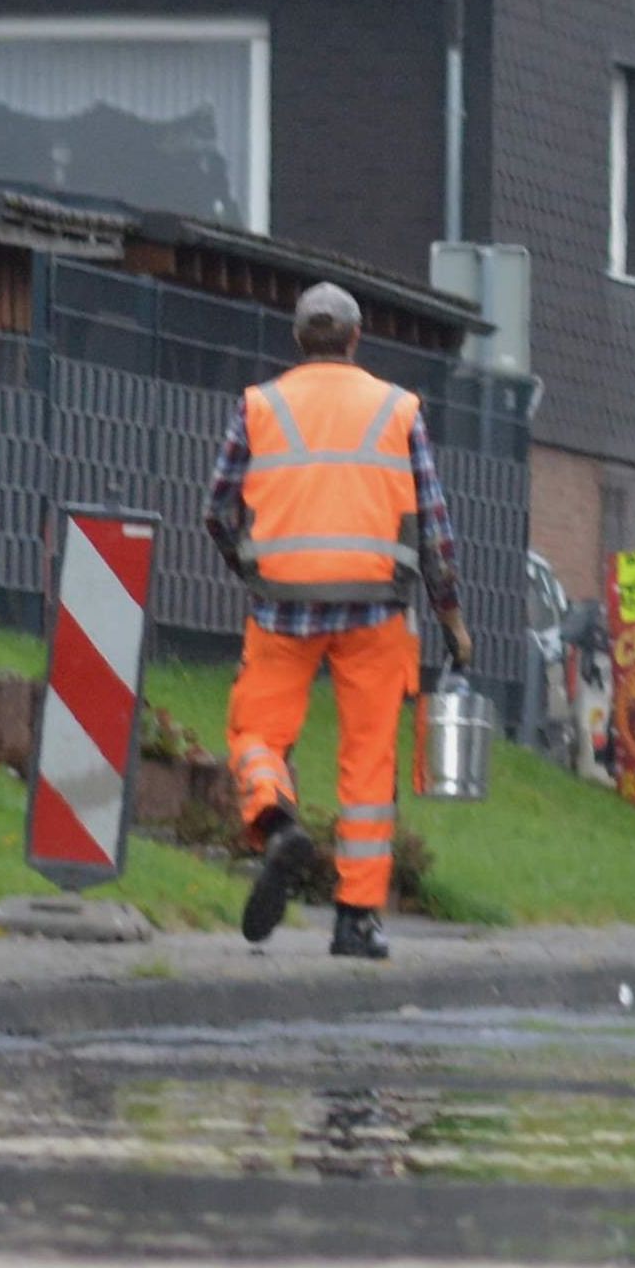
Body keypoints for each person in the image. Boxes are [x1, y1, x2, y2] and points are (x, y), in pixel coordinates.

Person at [203, 281, 471, 962]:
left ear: (299, 340)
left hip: (281, 604)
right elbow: (435, 531)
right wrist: (452, 620)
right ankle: (356, 920)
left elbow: (217, 507)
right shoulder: (397, 407)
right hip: (377, 609)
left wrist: (252, 567)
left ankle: (274, 817)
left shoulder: (259, 405)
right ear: (356, 339)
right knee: (368, 762)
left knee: (257, 731)